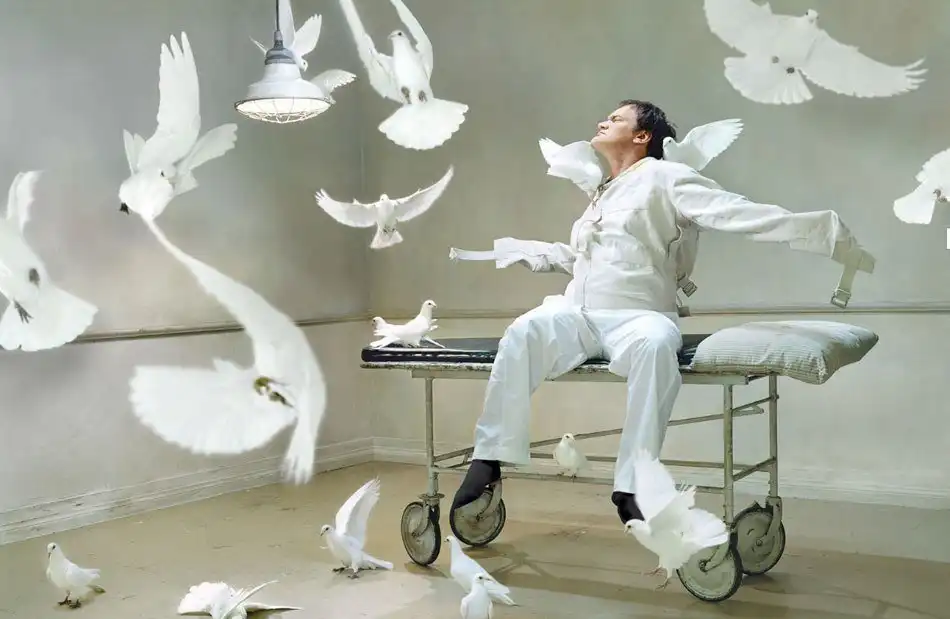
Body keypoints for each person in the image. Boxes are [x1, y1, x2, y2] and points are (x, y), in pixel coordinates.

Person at [451, 99, 872, 525]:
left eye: (615, 119)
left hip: (639, 316)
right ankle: (488, 460)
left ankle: (632, 484)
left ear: (642, 135)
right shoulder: (602, 191)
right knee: (524, 331)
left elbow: (735, 212)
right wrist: (529, 252)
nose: (602, 122)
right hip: (578, 313)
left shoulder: (666, 177)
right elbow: (595, 258)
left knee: (656, 347)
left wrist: (826, 233)